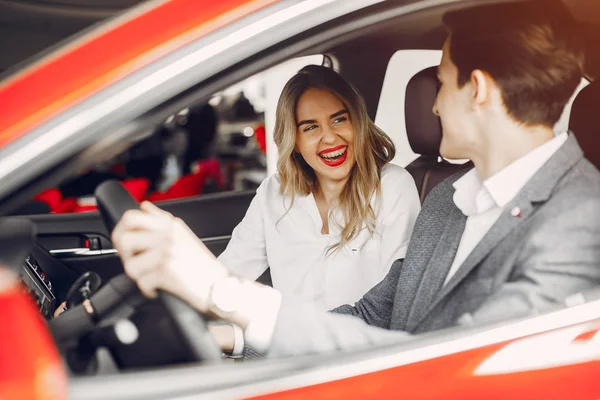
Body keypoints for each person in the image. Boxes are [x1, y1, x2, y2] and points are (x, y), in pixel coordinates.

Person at [111, 0, 600, 359]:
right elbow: (372, 316)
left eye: (443, 83)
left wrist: (223, 292)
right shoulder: (449, 203)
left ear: (478, 91)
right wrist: (233, 336)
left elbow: (447, 366)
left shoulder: (580, 223)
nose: (431, 105)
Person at [217, 65, 420, 311]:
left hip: (365, 345)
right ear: (295, 142)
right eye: (311, 127)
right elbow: (228, 277)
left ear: (357, 123)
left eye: (339, 120)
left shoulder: (393, 186)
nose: (331, 138)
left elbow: (394, 301)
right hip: (291, 346)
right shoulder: (276, 191)